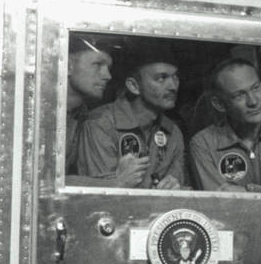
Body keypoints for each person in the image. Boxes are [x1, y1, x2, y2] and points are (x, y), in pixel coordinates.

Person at [77, 40, 185, 189]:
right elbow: (96, 196)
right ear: (134, 86)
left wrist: (174, 186)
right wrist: (117, 181)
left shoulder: (173, 133)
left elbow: (179, 187)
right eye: (161, 78)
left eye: (175, 77)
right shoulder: (100, 124)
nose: (173, 86)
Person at [189, 57, 261, 192]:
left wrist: (246, 191)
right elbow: (220, 204)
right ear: (219, 104)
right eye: (239, 95)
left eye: (255, 88)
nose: (253, 101)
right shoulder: (204, 144)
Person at [65, 35, 113, 181]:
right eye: (98, 65)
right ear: (68, 66)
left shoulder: (83, 115)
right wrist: (116, 183)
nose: (108, 76)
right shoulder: (40, 112)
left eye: (108, 68)